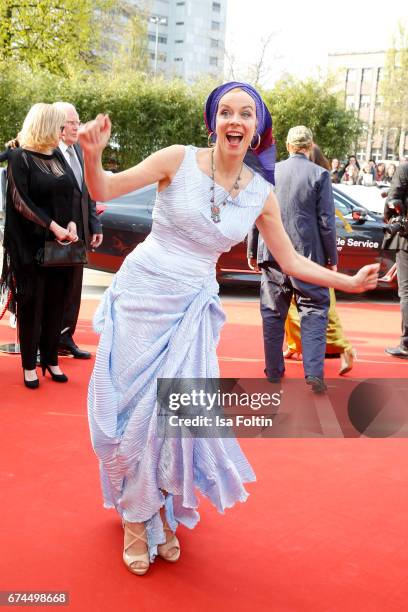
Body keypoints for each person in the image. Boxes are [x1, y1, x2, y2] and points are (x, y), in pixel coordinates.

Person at [78, 83, 379, 576]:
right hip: (141, 297)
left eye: (245, 113)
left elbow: (292, 259)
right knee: (135, 413)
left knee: (170, 417)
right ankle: (138, 517)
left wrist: (347, 280)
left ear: (256, 128)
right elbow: (103, 189)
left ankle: (156, 507)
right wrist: (92, 157)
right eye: (225, 112)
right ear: (213, 122)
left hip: (192, 310)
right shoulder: (176, 159)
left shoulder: (262, 194)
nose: (234, 120)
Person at [247, 127, 338, 394]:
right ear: (309, 147)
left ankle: (273, 371)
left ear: (287, 146)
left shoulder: (268, 174)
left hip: (272, 253)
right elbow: (326, 222)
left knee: (273, 313)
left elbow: (257, 215)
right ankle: (313, 373)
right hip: (308, 257)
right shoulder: (320, 174)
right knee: (314, 310)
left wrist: (253, 251)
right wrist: (331, 258)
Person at [0, 103, 79, 388]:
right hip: (29, 247)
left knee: (57, 303)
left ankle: (51, 360)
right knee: (32, 305)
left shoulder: (57, 155)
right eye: (60, 126)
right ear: (45, 126)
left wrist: (70, 223)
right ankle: (29, 365)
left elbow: (67, 194)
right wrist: (53, 226)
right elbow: (21, 202)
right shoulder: (20, 157)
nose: (63, 131)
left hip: (58, 247)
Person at [284, 144, 356, 375]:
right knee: (292, 305)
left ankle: (344, 349)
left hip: (310, 255)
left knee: (323, 307)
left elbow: (327, 223)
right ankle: (296, 345)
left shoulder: (317, 179)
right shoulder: (312, 178)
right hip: (297, 253)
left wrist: (330, 259)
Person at [52, 102, 103, 359]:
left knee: (73, 288)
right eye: (72, 122)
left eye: (78, 121)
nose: (77, 127)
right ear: (59, 126)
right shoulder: (47, 153)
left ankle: (65, 338)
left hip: (80, 233)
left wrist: (95, 225)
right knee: (53, 290)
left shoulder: (80, 152)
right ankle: (46, 342)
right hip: (56, 235)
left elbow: (90, 191)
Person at [383, 161, 408, 359]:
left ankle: (407, 344)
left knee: (407, 292)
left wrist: (390, 217)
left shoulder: (405, 168)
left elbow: (393, 200)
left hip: (406, 238)